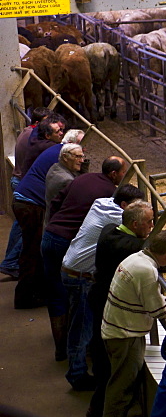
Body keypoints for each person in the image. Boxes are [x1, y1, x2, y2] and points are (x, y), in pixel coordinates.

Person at [99, 230, 166, 417]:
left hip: (118, 327)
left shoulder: (137, 258)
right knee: (121, 387)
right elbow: (157, 311)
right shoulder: (147, 271)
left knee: (120, 382)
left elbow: (150, 299)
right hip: (124, 333)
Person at [41, 155, 128, 362]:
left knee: (56, 293)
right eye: (124, 173)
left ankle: (60, 349)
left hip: (51, 234)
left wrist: (55, 224)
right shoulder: (109, 194)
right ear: (114, 174)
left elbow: (55, 202)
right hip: (66, 242)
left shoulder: (82, 178)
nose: (125, 177)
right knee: (79, 305)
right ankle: (76, 359)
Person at [62, 184, 144, 390]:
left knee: (79, 323)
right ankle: (77, 375)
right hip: (81, 275)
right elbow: (137, 230)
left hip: (71, 267)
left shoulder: (102, 203)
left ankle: (76, 365)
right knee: (82, 329)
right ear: (124, 205)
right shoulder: (117, 219)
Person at [87, 200, 155, 417]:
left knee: (101, 356)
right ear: (135, 225)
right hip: (111, 306)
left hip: (99, 297)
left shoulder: (109, 230)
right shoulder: (133, 247)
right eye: (148, 222)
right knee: (114, 369)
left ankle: (98, 409)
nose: (152, 226)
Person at [11, 117, 68, 309]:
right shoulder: (49, 149)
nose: (61, 133)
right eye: (57, 131)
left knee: (30, 248)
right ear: (47, 135)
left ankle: (28, 292)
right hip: (31, 203)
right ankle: (25, 297)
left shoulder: (38, 141)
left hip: (24, 198)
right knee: (32, 250)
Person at [0, 108, 56, 279]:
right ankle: (10, 262)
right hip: (25, 185)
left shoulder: (27, 133)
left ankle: (10, 261)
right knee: (25, 229)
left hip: (20, 181)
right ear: (39, 124)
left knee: (21, 227)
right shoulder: (35, 139)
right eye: (47, 123)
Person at [43, 133, 85, 225]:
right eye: (77, 157)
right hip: (59, 225)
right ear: (65, 157)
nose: (82, 161)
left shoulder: (55, 167)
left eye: (82, 157)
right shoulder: (67, 180)